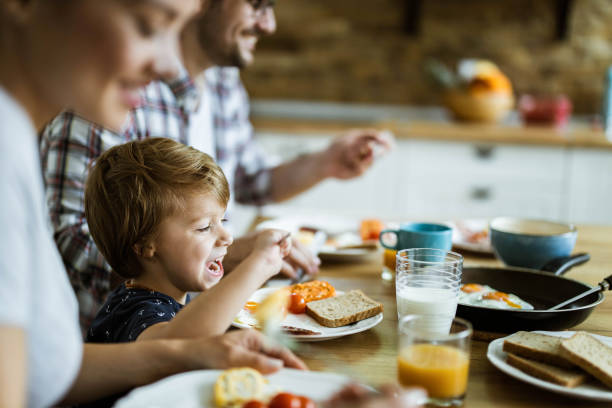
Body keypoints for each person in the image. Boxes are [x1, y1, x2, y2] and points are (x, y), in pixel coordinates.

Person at [0, 2, 307, 407]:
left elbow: (44, 375)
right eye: (149, 27)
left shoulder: (14, 139)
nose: (169, 68)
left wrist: (193, 353)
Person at [39, 0, 394, 333]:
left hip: (207, 312)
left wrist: (325, 162)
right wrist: (219, 252)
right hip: (112, 346)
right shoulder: (111, 92)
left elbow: (251, 181)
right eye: (256, 4)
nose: (268, 24)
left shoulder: (224, 83)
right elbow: (68, 240)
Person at [84, 137, 291, 343]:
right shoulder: (138, 313)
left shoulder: (155, 295)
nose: (227, 238)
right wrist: (260, 264)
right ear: (145, 245)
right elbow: (177, 346)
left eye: (222, 220)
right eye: (204, 227)